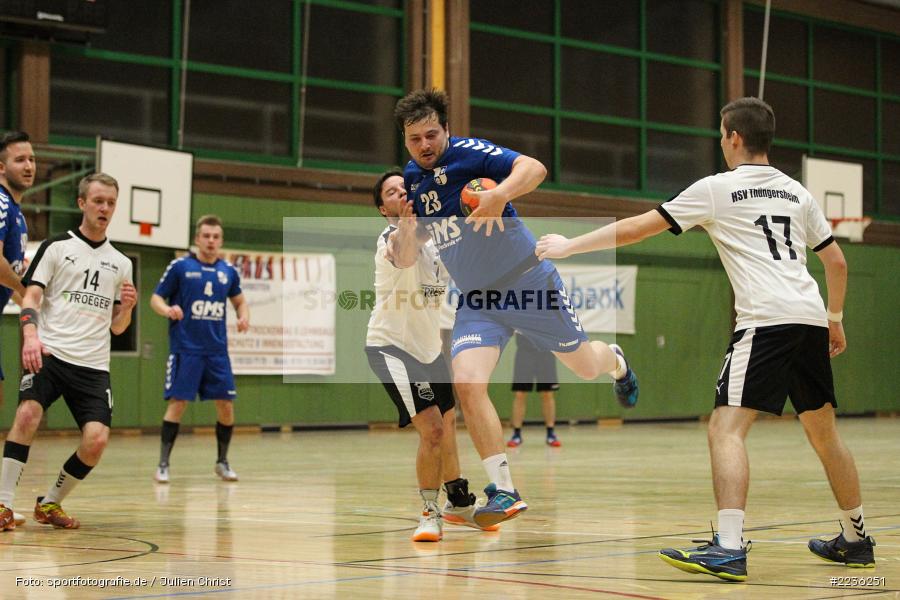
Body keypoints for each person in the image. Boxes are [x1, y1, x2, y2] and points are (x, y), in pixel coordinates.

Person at [536, 97, 874, 581]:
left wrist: (570, 245)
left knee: (725, 429)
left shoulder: (718, 189)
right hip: (809, 317)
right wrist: (834, 318)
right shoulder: (798, 193)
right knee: (825, 434)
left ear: (734, 137)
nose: (721, 141)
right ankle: (856, 539)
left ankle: (729, 547)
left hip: (766, 322)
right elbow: (836, 261)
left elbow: (638, 227)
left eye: (721, 134)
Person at [390, 89, 638, 528]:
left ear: (446, 129)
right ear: (405, 142)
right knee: (467, 384)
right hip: (477, 301)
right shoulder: (413, 179)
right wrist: (407, 232)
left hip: (527, 282)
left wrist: (499, 194)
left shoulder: (471, 154)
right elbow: (413, 253)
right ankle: (504, 489)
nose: (424, 145)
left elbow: (534, 168)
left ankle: (614, 360)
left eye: (431, 134)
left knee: (583, 364)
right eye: (415, 139)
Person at [0, 172, 135, 530]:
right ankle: (3, 504)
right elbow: (30, 295)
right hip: (50, 353)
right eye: (98, 201)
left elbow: (117, 327)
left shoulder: (122, 263)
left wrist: (128, 309)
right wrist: (30, 335)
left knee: (96, 440)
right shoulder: (57, 247)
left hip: (92, 365)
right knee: (27, 416)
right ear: (82, 203)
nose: (104, 208)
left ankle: (49, 503)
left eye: (110, 203)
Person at [366, 170, 495, 542]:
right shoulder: (390, 238)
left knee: (449, 424)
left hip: (429, 350)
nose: (401, 192)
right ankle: (428, 510)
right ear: (383, 208)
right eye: (392, 192)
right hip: (391, 347)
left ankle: (457, 499)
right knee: (433, 430)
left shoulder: (437, 241)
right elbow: (404, 256)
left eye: (404, 187)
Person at [151, 215, 249, 484]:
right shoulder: (180, 267)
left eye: (216, 237)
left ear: (221, 241)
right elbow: (156, 298)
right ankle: (163, 464)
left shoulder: (228, 271)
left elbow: (240, 301)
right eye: (206, 236)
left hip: (217, 352)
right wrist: (167, 309)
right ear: (197, 239)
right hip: (187, 349)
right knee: (178, 404)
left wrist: (243, 316)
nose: (211, 241)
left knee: (226, 406)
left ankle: (222, 461)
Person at [0, 131, 34, 526]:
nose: (28, 165)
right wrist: (27, 292)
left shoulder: (16, 211)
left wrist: (33, 316)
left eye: (31, 158)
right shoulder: (1, 203)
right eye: (19, 159)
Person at [507, 333, 561, 447]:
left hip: (546, 351)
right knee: (520, 393)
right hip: (525, 352)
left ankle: (551, 434)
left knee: (547, 393)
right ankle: (516, 434)